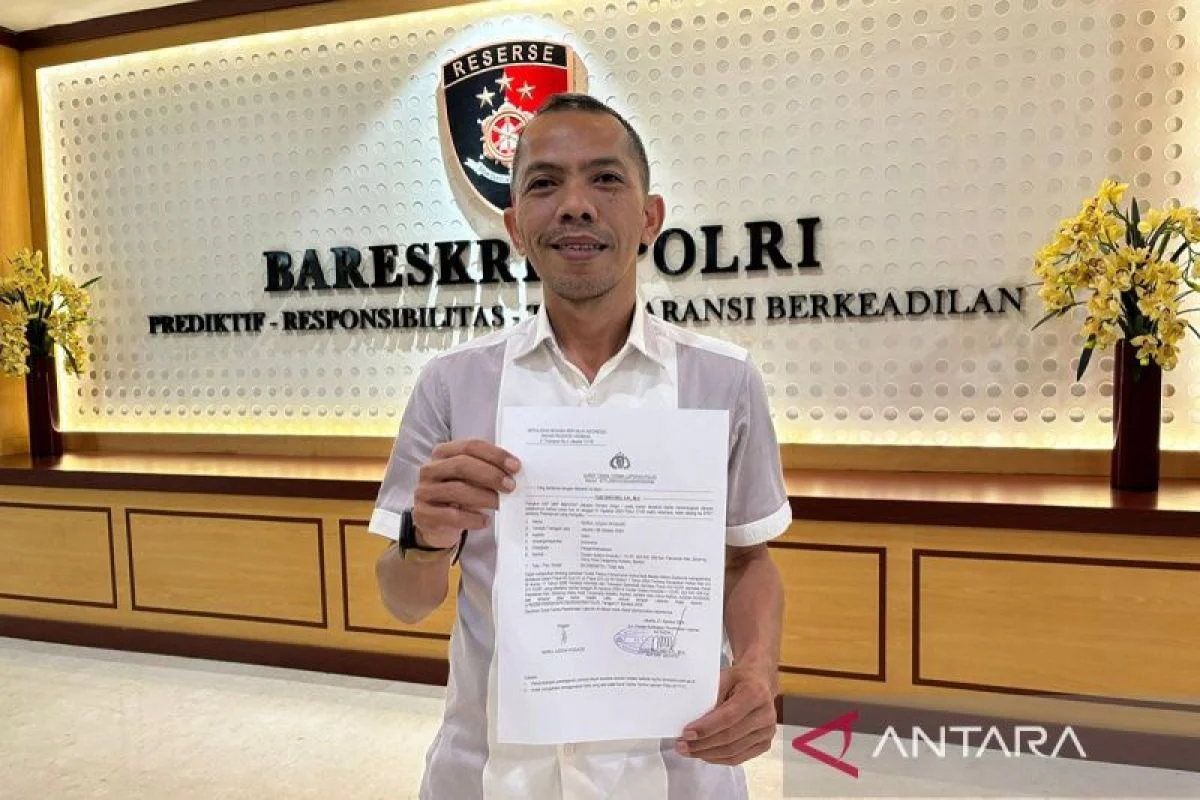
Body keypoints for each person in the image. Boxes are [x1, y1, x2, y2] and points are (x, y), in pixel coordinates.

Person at [370, 92, 790, 800]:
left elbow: (747, 558)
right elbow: (405, 599)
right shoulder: (451, 384)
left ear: (649, 217)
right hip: (491, 774)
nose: (575, 205)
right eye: (544, 183)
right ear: (515, 226)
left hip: (678, 769)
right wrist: (427, 537)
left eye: (605, 179)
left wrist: (757, 670)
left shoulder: (724, 380)